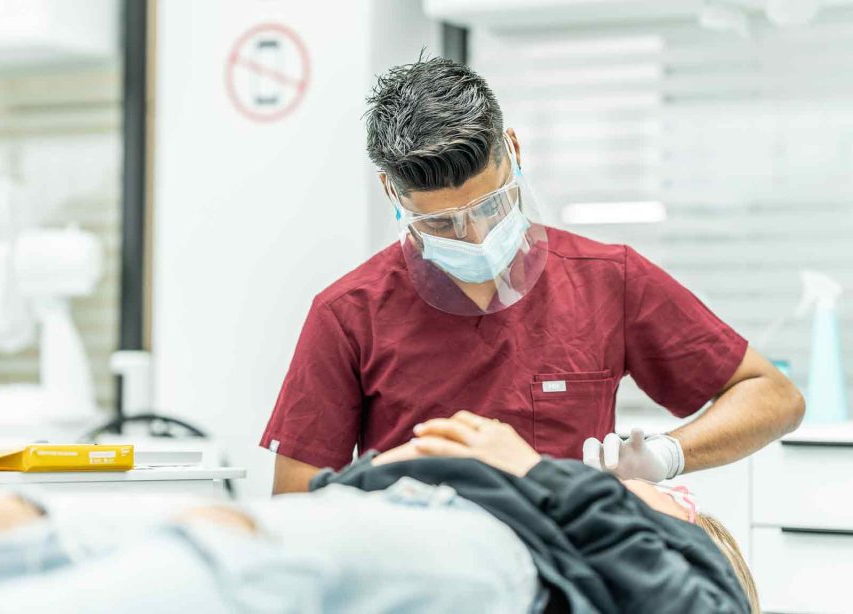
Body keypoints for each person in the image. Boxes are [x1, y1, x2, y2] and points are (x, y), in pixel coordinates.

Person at [260, 57, 804, 493]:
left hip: (572, 567)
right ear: (391, 192)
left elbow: (773, 396)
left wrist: (667, 454)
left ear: (514, 151)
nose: (474, 237)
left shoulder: (606, 280)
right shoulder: (348, 314)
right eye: (442, 223)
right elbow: (298, 499)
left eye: (490, 207)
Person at [0, 412, 757, 613]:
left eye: (671, 494)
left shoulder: (685, 551)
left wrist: (538, 474)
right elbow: (319, 498)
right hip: (419, 512)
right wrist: (376, 474)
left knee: (231, 545)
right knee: (17, 518)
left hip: (496, 561)